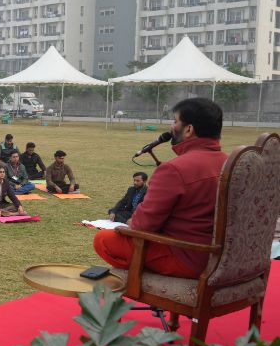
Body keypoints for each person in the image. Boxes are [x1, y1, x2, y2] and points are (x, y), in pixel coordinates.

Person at [94, 98, 228, 279]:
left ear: (189, 129)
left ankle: (149, 283)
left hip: (189, 257)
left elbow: (143, 225)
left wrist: (130, 224)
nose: (171, 127)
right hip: (226, 258)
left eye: (175, 121)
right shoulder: (232, 163)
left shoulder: (174, 169)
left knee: (104, 239)